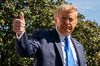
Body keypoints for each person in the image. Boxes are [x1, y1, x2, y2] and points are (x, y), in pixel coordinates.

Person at [13, 4, 86, 66]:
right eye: (64, 18)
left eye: (71, 19)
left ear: (76, 22)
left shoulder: (79, 47)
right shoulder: (42, 37)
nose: (67, 22)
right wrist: (20, 32)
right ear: (56, 19)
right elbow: (26, 51)